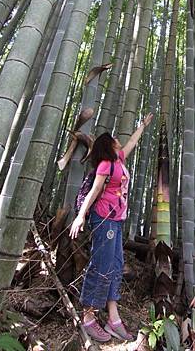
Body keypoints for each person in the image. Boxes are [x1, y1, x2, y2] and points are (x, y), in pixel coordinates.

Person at [70, 113, 153, 342]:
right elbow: (95, 191)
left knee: (116, 266)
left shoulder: (119, 160)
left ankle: (113, 319)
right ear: (109, 144)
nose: (119, 140)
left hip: (116, 221)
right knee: (101, 265)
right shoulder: (106, 164)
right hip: (103, 219)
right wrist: (80, 216)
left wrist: (142, 126)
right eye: (115, 138)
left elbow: (132, 143)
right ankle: (88, 317)